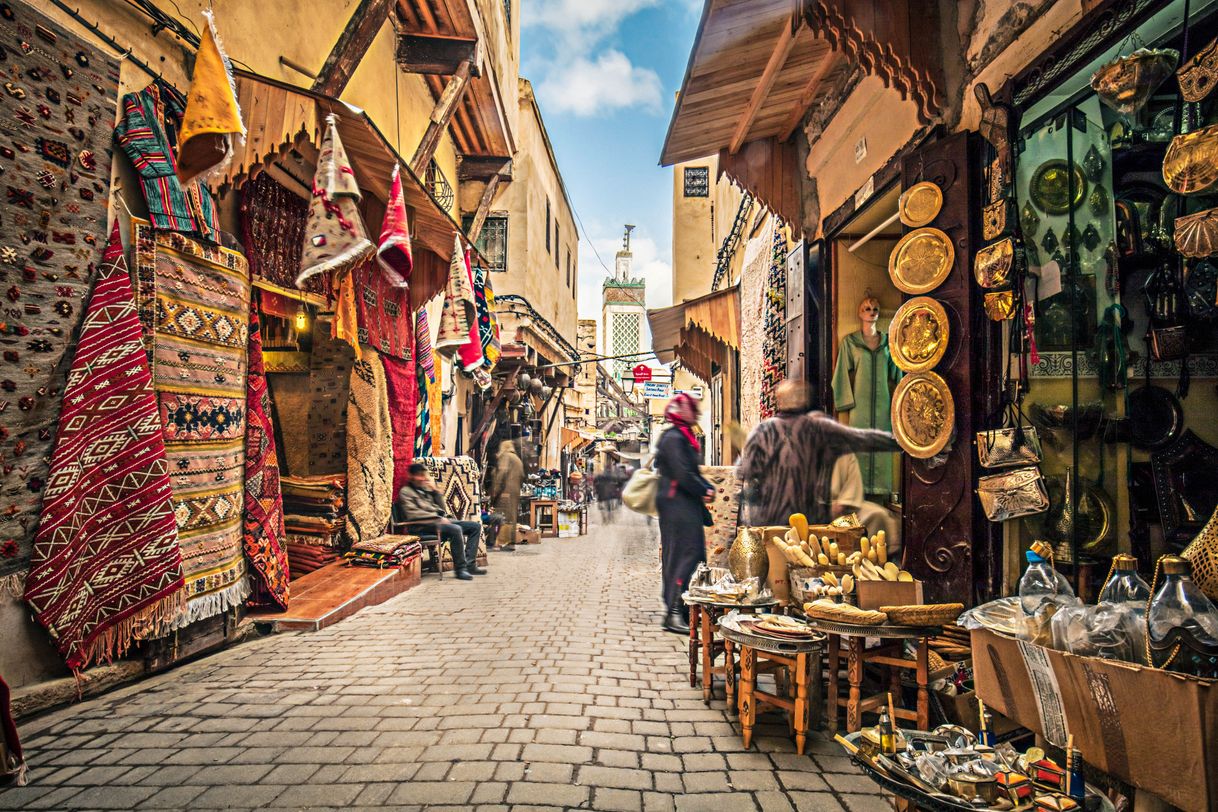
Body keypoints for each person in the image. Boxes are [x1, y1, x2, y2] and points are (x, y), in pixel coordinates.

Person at [738, 379, 900, 527]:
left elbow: (743, 471)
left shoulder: (762, 431)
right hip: (809, 520)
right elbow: (863, 438)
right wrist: (900, 442)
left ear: (779, 401)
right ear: (804, 401)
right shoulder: (818, 427)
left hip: (769, 519)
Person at [655, 392, 714, 634]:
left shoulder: (682, 436)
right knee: (685, 553)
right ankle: (674, 612)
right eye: (692, 408)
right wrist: (704, 488)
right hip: (676, 504)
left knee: (692, 552)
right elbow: (682, 472)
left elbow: (689, 470)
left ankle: (682, 607)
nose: (697, 413)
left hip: (682, 503)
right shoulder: (674, 437)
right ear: (681, 411)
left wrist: (704, 487)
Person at [397, 463, 485, 581]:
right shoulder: (406, 492)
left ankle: (470, 565)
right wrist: (436, 518)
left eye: (423, 475)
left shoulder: (425, 490)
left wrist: (435, 492)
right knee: (456, 530)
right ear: (411, 476)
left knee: (475, 527)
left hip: (438, 523)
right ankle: (461, 569)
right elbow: (412, 515)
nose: (422, 478)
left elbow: (442, 509)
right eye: (419, 475)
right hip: (421, 526)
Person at [830, 452, 900, 558]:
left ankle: (873, 561)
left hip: (846, 507)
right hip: (816, 508)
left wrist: (844, 502)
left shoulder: (845, 453)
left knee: (879, 514)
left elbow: (852, 486)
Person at [488, 438, 524, 551]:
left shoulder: (506, 456)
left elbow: (501, 473)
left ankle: (499, 542)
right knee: (512, 517)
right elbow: (522, 476)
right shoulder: (517, 459)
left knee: (503, 517)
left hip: (505, 492)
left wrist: (495, 490)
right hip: (515, 491)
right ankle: (510, 542)